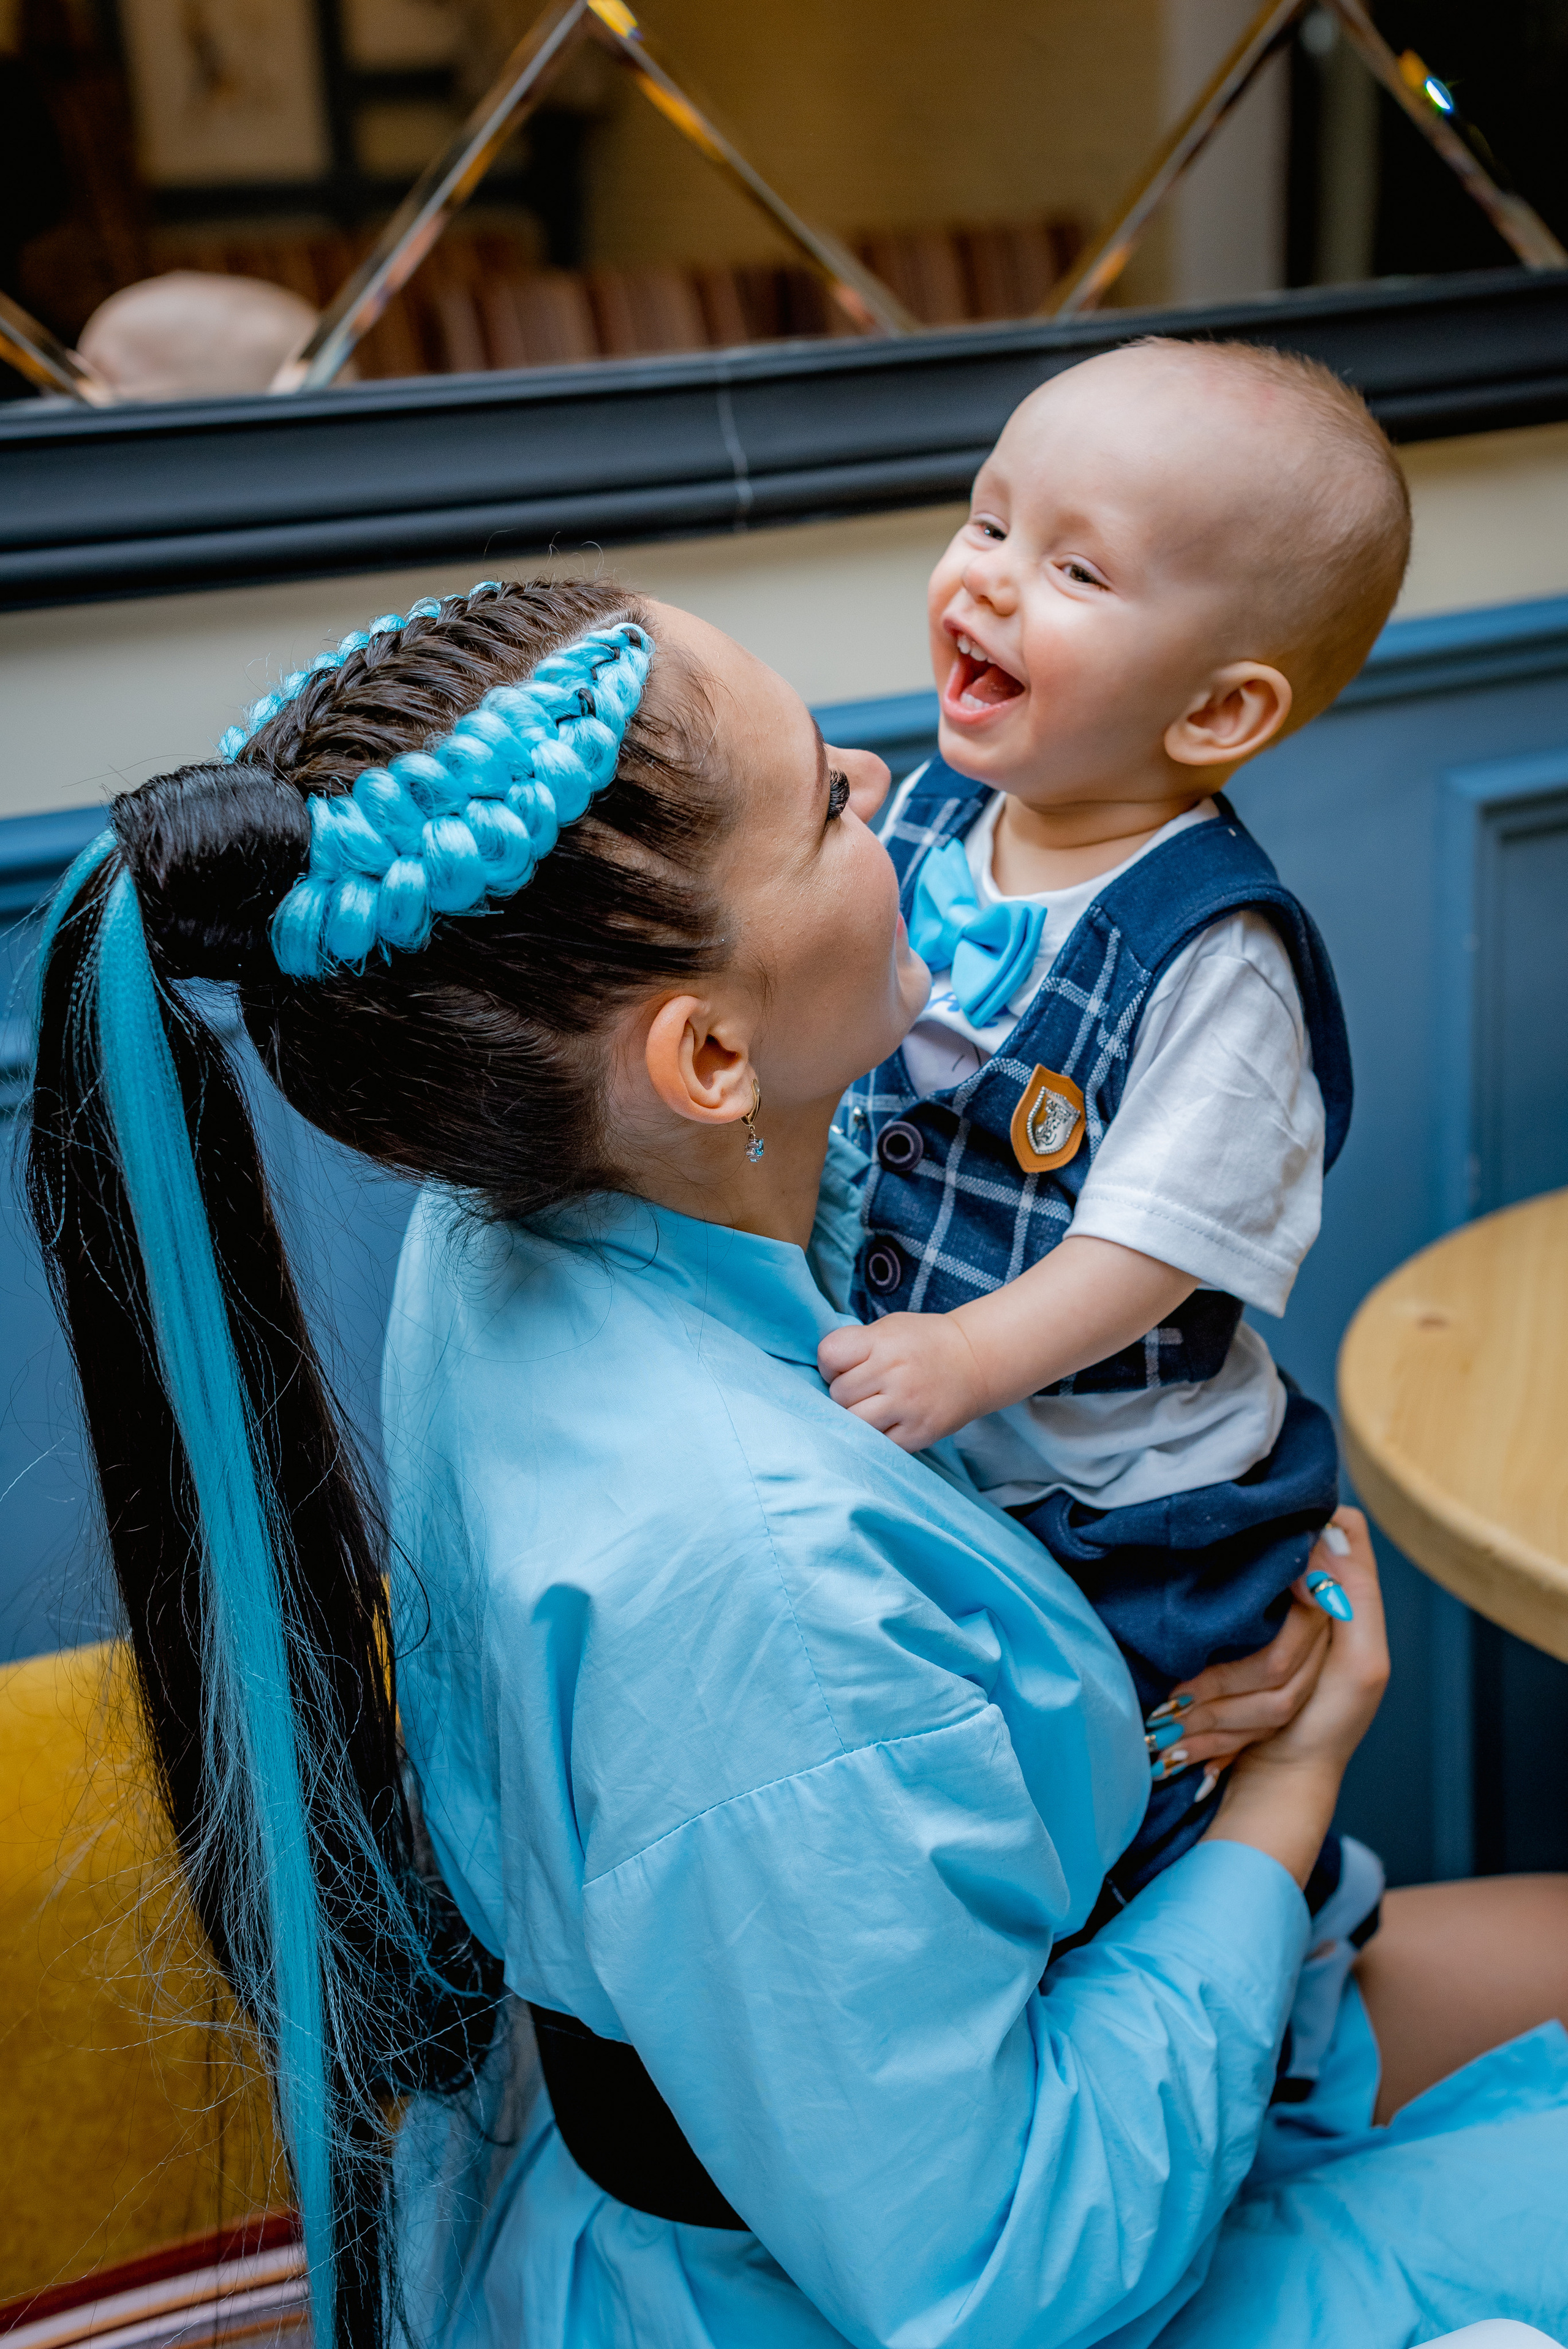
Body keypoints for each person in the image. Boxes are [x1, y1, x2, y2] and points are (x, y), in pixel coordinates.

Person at [25, 578, 1568, 2349]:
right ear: (704, 1053)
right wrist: (1295, 1782)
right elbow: (1000, 2273)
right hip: (928, 2264)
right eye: (826, 803)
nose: (879, 768)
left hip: (885, 2085)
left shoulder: (505, 1233)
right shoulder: (754, 1579)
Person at [823, 340, 1408, 1928]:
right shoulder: (938, 818)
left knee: (1120, 1792)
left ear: (1221, 707)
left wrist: (966, 1359)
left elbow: (1150, 1245)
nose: (990, 579)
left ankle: (1254, 1958)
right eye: (989, 520)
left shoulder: (1214, 955)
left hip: (1130, 1510)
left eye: (1073, 566)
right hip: (962, 1452)